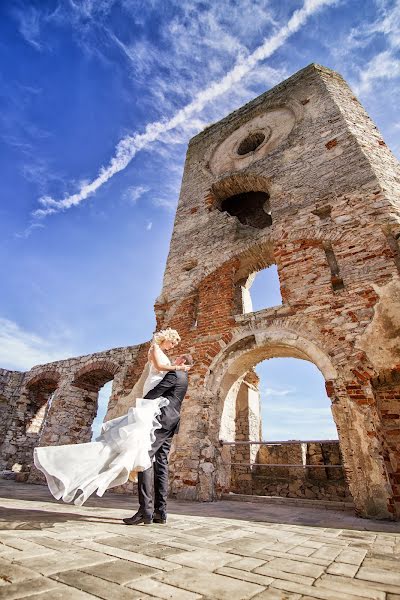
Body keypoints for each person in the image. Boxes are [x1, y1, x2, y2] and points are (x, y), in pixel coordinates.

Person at [34, 328, 190, 506]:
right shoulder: (157, 351)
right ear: (166, 339)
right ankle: (157, 510)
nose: (173, 347)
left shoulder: (173, 370)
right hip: (161, 409)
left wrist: (148, 401)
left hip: (158, 408)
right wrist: (176, 368)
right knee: (150, 457)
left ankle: (147, 509)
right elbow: (160, 369)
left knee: (143, 455)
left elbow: (164, 384)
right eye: (173, 343)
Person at [123, 351, 194, 526]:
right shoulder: (184, 379)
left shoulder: (174, 373)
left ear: (181, 361)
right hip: (173, 420)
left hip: (161, 419)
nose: (174, 360)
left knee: (145, 457)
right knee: (161, 462)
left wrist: (140, 405)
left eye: (177, 358)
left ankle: (144, 511)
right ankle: (160, 513)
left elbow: (156, 392)